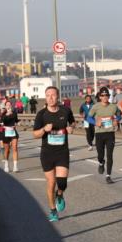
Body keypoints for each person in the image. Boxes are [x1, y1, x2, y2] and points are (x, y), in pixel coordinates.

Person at [32, 86, 76, 221]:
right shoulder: (41, 114)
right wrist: (44, 129)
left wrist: (71, 128)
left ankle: (60, 194)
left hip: (62, 152)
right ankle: (52, 211)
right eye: (48, 95)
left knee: (62, 183)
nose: (50, 98)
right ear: (45, 97)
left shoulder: (65, 110)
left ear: (58, 97)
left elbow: (73, 122)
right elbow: (35, 134)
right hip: (47, 153)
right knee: (51, 182)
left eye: (53, 95)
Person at [90, 86, 118, 183]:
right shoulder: (96, 106)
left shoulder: (113, 107)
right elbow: (88, 117)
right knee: (100, 155)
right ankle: (101, 163)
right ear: (100, 96)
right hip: (99, 134)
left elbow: (119, 115)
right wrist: (95, 122)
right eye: (103, 95)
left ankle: (108, 176)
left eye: (106, 95)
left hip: (110, 133)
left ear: (109, 96)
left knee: (109, 155)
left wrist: (116, 120)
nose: (105, 97)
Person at [0, 99, 20, 173]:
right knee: (7, 150)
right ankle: (6, 165)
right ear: (5, 106)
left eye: (9, 105)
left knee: (15, 148)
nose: (8, 106)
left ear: (11, 106)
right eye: (7, 105)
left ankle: (15, 166)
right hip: (6, 133)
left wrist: (17, 123)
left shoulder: (14, 113)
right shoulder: (3, 114)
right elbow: (1, 122)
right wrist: (6, 115)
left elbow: (16, 120)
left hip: (13, 132)